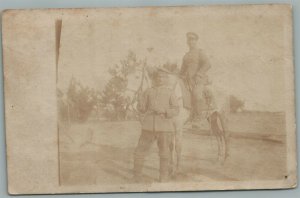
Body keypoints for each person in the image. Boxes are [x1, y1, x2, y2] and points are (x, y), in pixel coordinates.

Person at [133, 67, 179, 182]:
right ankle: (137, 175)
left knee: (164, 153)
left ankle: (163, 176)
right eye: (158, 77)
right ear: (155, 78)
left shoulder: (170, 93)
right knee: (139, 151)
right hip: (148, 126)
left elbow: (176, 109)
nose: (160, 79)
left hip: (165, 127)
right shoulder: (148, 91)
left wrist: (165, 111)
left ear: (166, 79)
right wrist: (139, 103)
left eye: (163, 77)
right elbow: (142, 109)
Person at [180, 32, 215, 120]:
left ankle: (199, 116)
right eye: (189, 40)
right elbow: (182, 70)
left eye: (192, 40)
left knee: (196, 94)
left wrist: (199, 74)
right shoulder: (186, 56)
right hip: (187, 81)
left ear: (196, 41)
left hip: (198, 80)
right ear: (187, 42)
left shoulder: (200, 52)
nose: (190, 42)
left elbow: (207, 64)